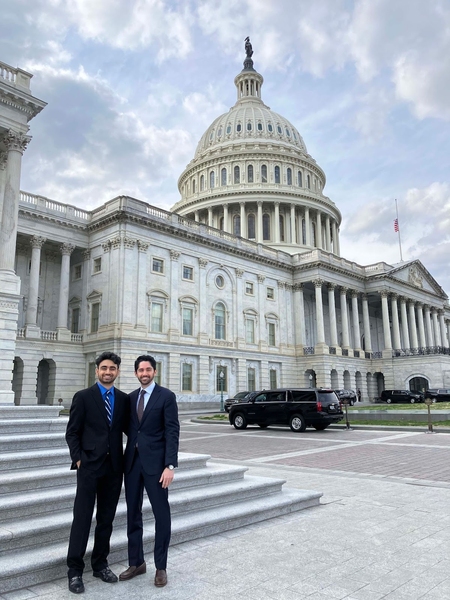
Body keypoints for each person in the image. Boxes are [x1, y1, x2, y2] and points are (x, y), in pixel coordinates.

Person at [65, 352, 129, 594]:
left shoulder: (123, 399)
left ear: (117, 372)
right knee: (81, 519)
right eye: (104, 368)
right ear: (97, 371)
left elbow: (128, 430)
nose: (108, 372)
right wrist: (79, 459)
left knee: (106, 519)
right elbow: (72, 433)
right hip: (89, 466)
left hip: (114, 468)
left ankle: (100, 564)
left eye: (112, 368)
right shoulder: (83, 397)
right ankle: (74, 571)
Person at [119, 355, 179, 588]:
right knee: (133, 514)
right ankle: (136, 562)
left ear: (154, 372)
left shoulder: (166, 396)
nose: (144, 373)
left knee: (161, 515)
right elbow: (130, 429)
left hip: (157, 467)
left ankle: (161, 567)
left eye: (148, 369)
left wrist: (170, 465)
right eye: (140, 370)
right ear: (135, 373)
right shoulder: (131, 398)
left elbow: (172, 431)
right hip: (132, 464)